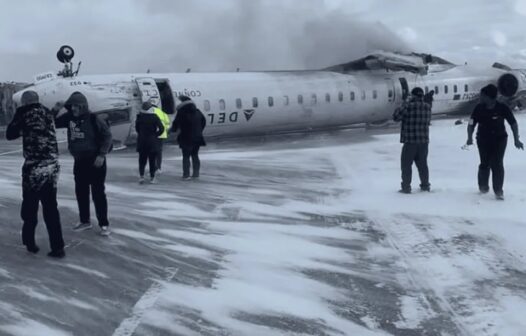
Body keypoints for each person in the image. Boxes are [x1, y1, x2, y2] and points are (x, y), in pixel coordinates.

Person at [6, 91, 65, 258]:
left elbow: (10, 135)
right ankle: (58, 247)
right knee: (51, 207)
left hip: (34, 168)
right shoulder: (46, 112)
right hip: (52, 166)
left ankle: (29, 242)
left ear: (24, 102)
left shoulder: (24, 113)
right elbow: (48, 119)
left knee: (30, 207)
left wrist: (18, 115)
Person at [53, 92, 113, 235]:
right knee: (81, 192)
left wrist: (101, 155)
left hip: (95, 161)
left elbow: (107, 136)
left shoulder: (94, 119)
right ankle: (85, 221)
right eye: (71, 106)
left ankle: (104, 223)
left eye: (76, 106)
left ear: (83, 106)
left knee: (98, 193)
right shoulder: (68, 118)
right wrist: (56, 109)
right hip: (79, 161)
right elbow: (50, 123)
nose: (73, 108)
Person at [466, 84, 523, 200]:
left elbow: (513, 123)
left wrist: (516, 139)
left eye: (482, 95)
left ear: (488, 97)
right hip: (482, 139)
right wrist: (469, 137)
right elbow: (471, 123)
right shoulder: (479, 108)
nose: (480, 97)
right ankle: (483, 188)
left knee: (497, 164)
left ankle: (498, 190)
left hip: (499, 139)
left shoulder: (502, 108)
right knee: (484, 163)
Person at [393, 87, 432, 194]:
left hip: (410, 142)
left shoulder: (408, 107)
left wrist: (405, 103)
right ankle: (425, 186)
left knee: (406, 165)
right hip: (424, 142)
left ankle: (406, 187)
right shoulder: (427, 107)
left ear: (413, 96)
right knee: (423, 165)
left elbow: (396, 117)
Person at [170, 96, 206, 180]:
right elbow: (203, 122)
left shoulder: (181, 113)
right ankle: (196, 174)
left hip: (186, 138)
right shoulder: (198, 112)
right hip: (197, 137)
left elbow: (175, 126)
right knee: (195, 155)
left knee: (186, 156)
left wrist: (171, 131)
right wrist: (199, 131)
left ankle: (186, 175)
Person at [136, 101, 164, 184]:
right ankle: (152, 178)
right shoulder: (154, 117)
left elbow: (137, 128)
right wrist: (155, 135)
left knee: (142, 160)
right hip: (152, 141)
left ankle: (141, 177)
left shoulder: (139, 116)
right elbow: (162, 128)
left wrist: (141, 134)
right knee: (152, 160)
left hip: (142, 141)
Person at [152, 101, 170, 173]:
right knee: (159, 152)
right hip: (162, 135)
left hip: (153, 135)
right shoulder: (163, 113)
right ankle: (159, 168)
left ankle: (154, 167)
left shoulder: (152, 113)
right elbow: (168, 125)